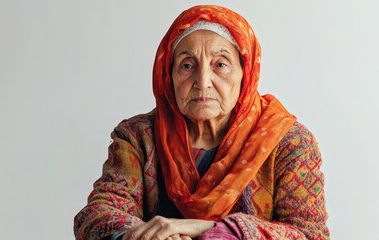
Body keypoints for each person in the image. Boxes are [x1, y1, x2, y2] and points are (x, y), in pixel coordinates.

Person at [74, 5, 329, 240]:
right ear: (168, 75)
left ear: (246, 73)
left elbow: (310, 234)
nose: (203, 81)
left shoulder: (288, 142)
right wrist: (146, 236)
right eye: (187, 65)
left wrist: (214, 230)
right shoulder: (139, 138)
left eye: (220, 64)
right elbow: (97, 213)